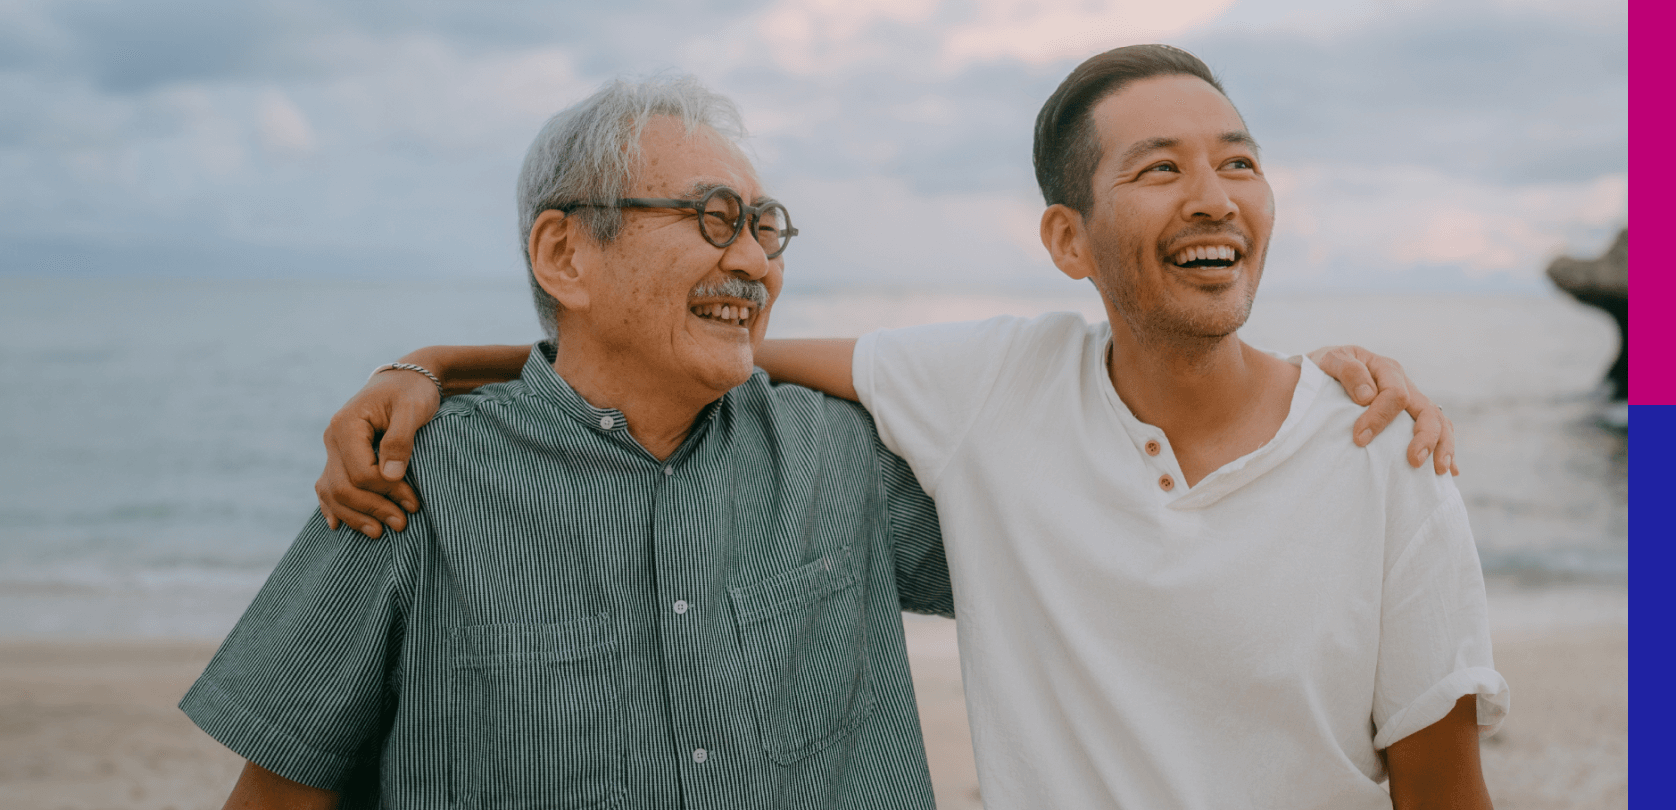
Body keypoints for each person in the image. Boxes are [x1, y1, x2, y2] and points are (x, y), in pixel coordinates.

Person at [315, 45, 1498, 808]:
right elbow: (698, 347)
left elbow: (1445, 792)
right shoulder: (991, 388)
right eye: (1159, 169)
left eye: (1238, 163)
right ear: (1065, 243)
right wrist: (433, 365)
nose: (1212, 195)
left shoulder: (1387, 452)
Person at [183, 74, 955, 809]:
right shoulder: (410, 487)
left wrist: (437, 359)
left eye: (765, 226)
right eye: (714, 218)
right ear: (564, 255)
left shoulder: (842, 457)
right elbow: (282, 793)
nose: (755, 260)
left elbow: (1060, 518)